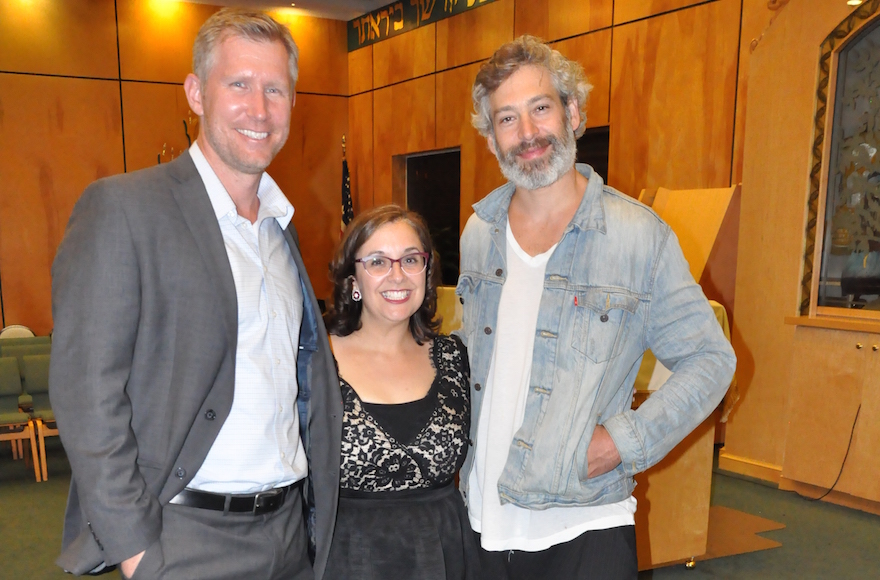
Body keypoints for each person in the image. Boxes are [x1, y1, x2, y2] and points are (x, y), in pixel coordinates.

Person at [49, 8, 340, 579]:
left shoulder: (283, 229)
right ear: (196, 92)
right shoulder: (125, 209)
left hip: (287, 538)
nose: (259, 110)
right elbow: (87, 393)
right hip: (184, 540)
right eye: (239, 85)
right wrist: (137, 553)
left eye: (275, 89)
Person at [455, 35, 737, 578]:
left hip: (584, 521)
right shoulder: (478, 231)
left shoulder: (638, 236)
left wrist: (620, 443)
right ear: (491, 140)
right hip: (480, 517)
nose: (528, 133)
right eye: (507, 119)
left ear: (573, 112)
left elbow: (710, 361)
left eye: (541, 108)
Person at [323, 205, 480, 580]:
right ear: (353, 280)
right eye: (377, 262)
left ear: (427, 272)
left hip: (443, 556)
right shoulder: (315, 361)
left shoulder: (453, 357)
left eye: (411, 259)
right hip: (345, 559)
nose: (397, 275)